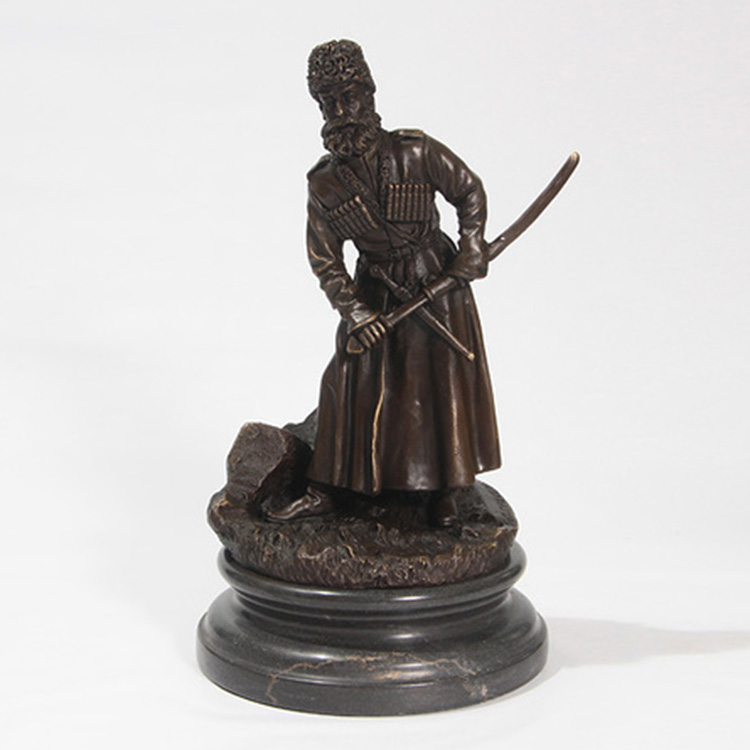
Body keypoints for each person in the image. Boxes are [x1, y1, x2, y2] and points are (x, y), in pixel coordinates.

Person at [270, 40, 500, 525]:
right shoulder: (324, 183)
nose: (341, 112)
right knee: (345, 380)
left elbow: (468, 191)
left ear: (369, 94)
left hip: (436, 280)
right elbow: (325, 258)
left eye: (349, 97)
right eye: (329, 102)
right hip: (373, 292)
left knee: (437, 383)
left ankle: (446, 491)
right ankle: (328, 489)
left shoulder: (415, 150)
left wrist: (473, 245)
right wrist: (356, 313)